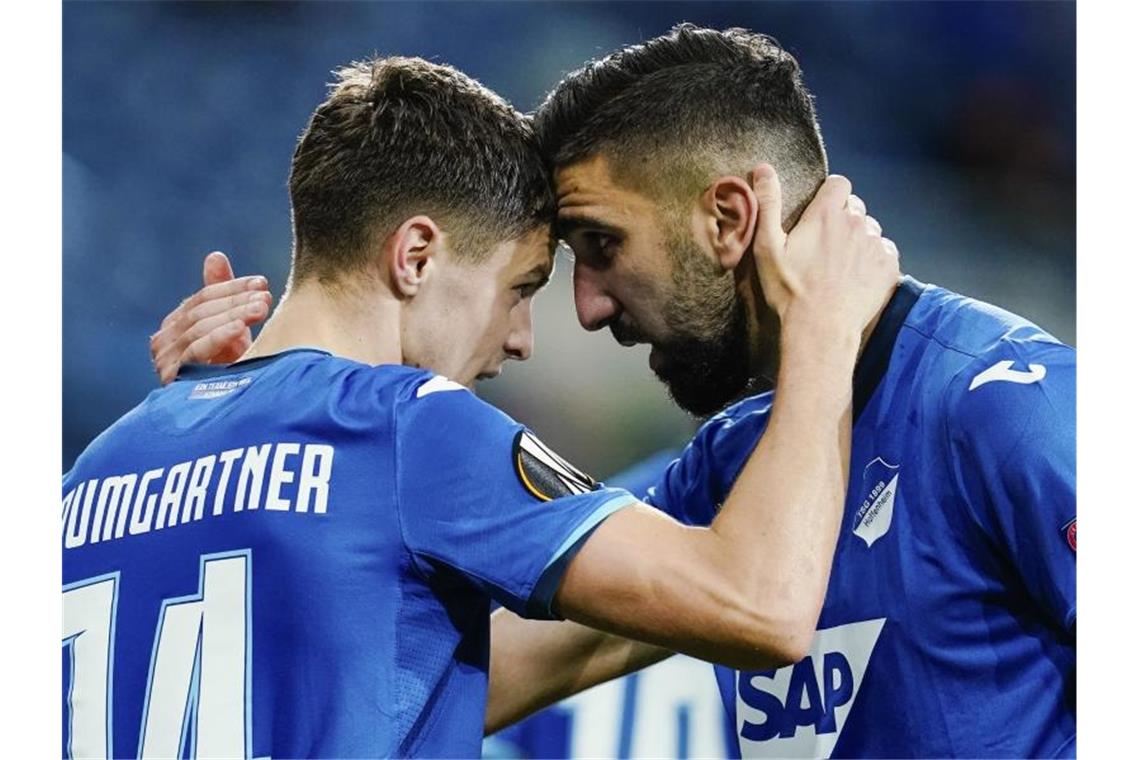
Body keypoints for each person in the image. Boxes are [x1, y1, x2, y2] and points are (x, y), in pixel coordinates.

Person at [161, 26, 1075, 758]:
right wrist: (243, 427)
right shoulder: (734, 470)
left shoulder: (1004, 405)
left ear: (727, 219)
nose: (587, 309)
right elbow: (428, 682)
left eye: (600, 247)